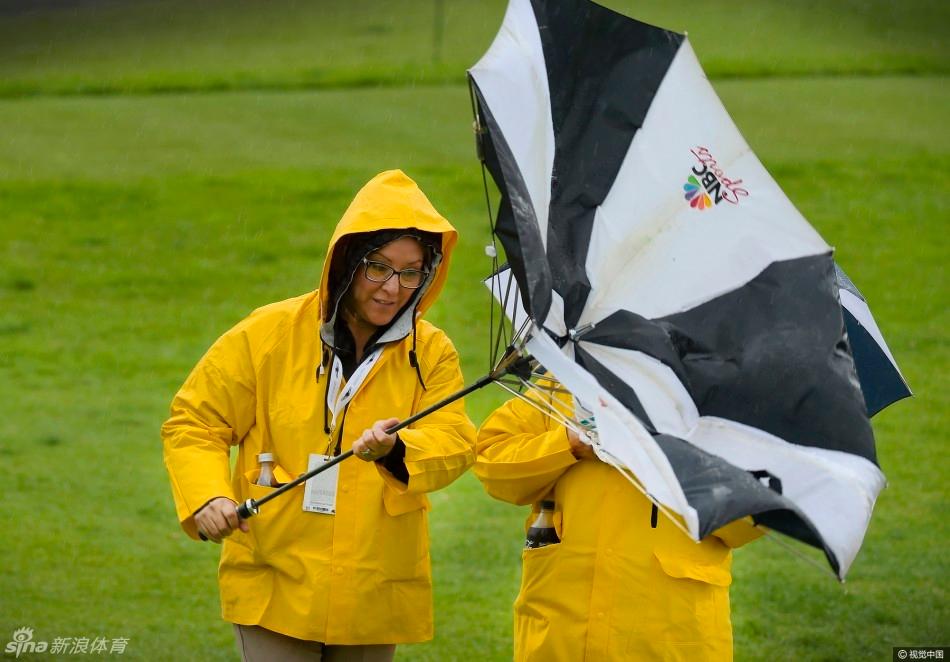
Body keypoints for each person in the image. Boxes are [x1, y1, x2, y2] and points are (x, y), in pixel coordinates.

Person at [162, 170, 476, 661]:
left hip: (375, 592)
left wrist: (398, 450)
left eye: (411, 271)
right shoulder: (267, 333)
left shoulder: (432, 352)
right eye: (378, 267)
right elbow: (195, 423)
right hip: (275, 583)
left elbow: (455, 441)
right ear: (348, 261)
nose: (392, 288)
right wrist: (206, 496)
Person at [475, 382, 764, 661]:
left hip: (669, 639)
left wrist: (672, 454)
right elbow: (492, 465)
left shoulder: (719, 407)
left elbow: (754, 518)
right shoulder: (564, 383)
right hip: (560, 634)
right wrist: (569, 443)